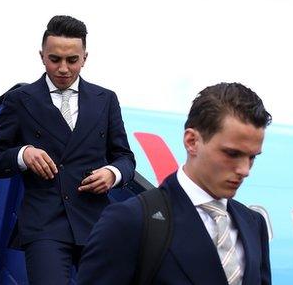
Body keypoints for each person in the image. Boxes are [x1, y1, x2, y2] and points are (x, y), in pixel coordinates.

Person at [0, 15, 136, 285]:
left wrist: (112, 174)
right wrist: (23, 154)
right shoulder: (20, 100)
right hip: (44, 225)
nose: (63, 68)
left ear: (85, 57)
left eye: (72, 60)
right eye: (55, 59)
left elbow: (125, 158)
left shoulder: (106, 100)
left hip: (95, 223)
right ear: (41, 56)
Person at [77, 82, 272, 285]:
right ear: (191, 141)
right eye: (232, 154)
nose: (245, 170)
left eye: (252, 157)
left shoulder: (253, 225)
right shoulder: (130, 221)